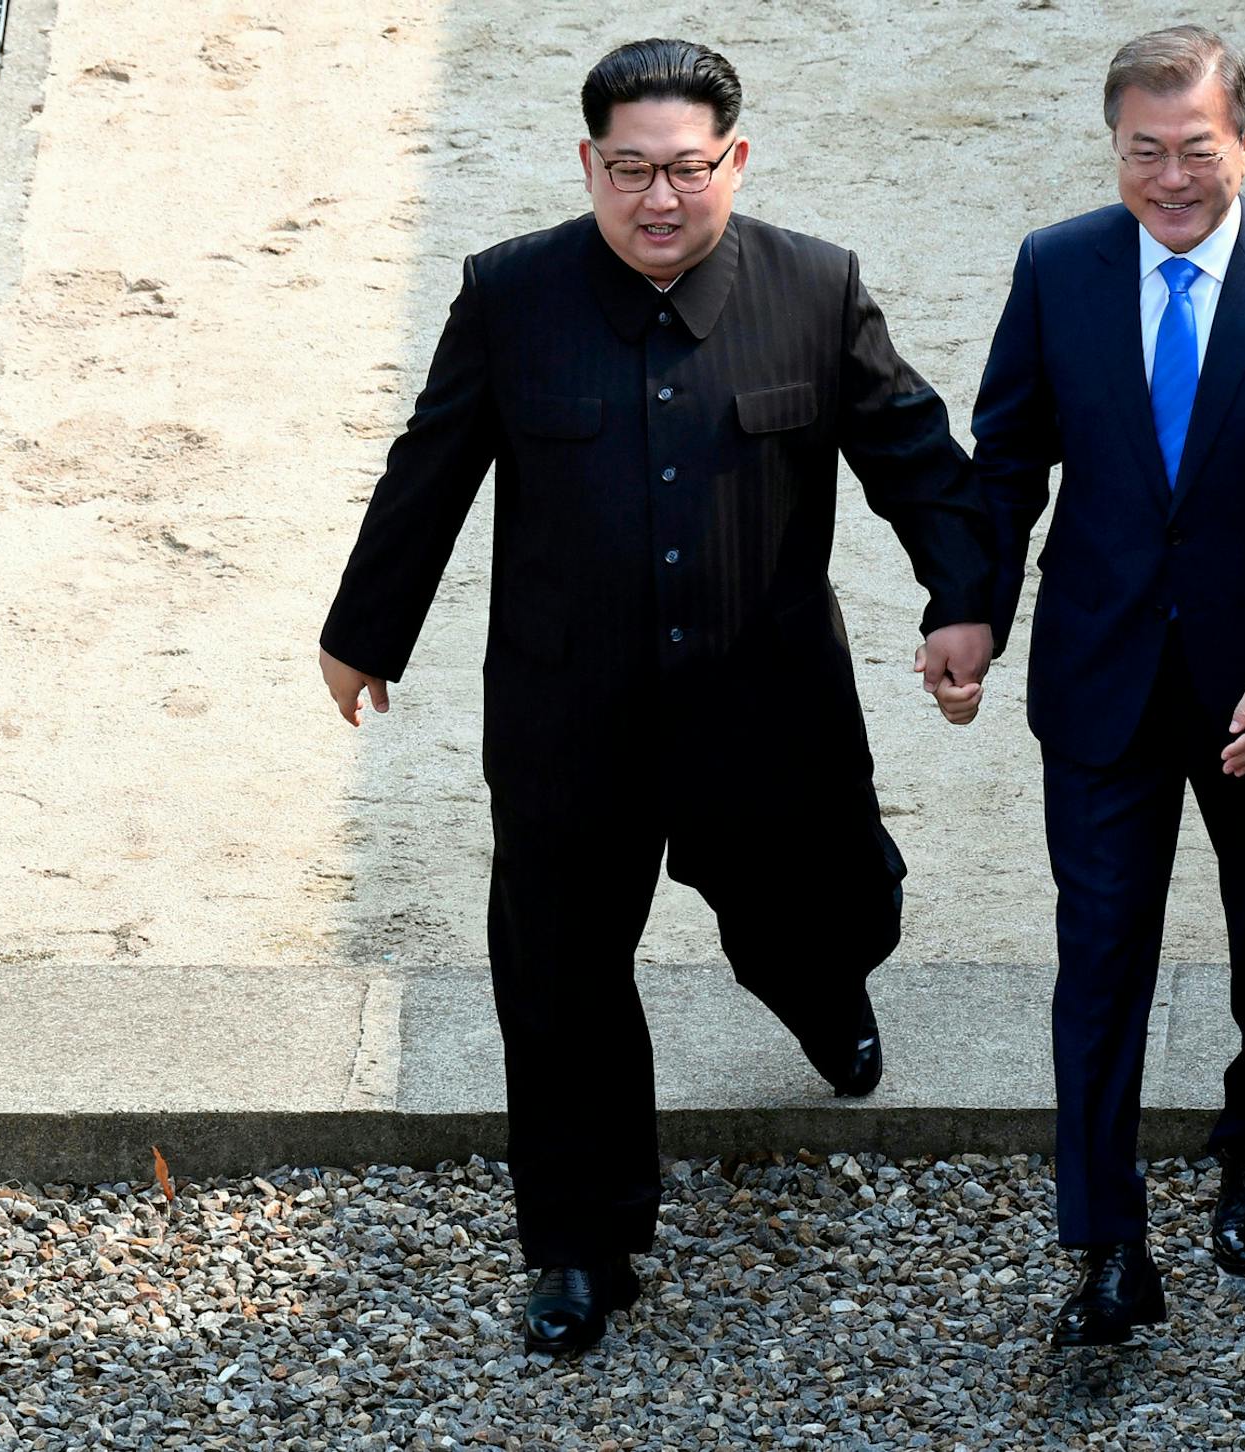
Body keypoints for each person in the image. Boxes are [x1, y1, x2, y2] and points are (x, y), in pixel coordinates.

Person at [317, 38, 993, 1356]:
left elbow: (915, 455)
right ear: (589, 166)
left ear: (734, 161)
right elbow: (431, 465)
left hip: (770, 707)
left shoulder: (816, 288)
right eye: (630, 171)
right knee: (558, 974)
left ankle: (821, 986)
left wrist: (960, 598)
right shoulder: (509, 295)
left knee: (832, 910)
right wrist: (364, 632)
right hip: (570, 715)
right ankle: (581, 1246)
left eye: (686, 169)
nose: (659, 199)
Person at [967, 24, 1245, 1347]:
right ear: (1114, 147)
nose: (1169, 178)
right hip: (1103, 673)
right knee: (1100, 959)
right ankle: (1108, 1248)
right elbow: (1007, 458)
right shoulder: (1057, 268)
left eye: (1196, 150)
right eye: (1142, 151)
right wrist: (968, 606)